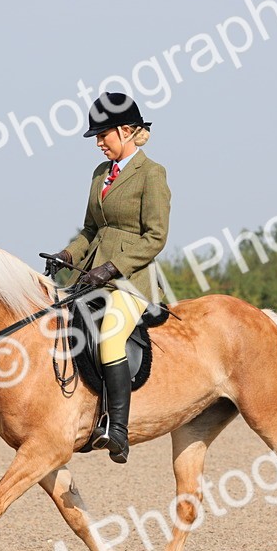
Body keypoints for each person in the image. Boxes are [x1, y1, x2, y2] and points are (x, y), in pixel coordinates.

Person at [44, 92, 171, 463]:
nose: (99, 143)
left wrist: (113, 268)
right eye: (97, 137)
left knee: (111, 338)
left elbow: (156, 238)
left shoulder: (152, 174)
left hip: (132, 279)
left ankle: (118, 430)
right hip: (93, 275)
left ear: (127, 131)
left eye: (104, 135)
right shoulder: (100, 174)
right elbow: (89, 230)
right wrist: (68, 254)